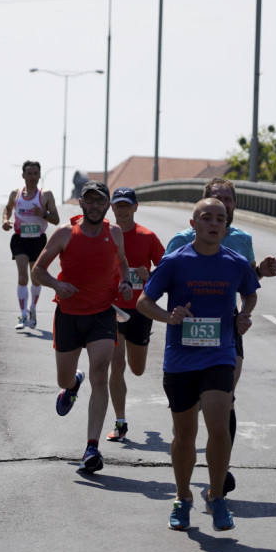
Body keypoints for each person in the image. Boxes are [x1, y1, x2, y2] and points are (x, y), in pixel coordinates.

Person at [137, 197, 260, 531]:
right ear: (193, 225)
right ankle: (182, 497)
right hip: (180, 358)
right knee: (184, 435)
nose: (214, 223)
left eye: (221, 219)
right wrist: (168, 317)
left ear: (226, 225)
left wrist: (245, 314)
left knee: (219, 426)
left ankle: (217, 496)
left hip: (219, 354)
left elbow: (251, 291)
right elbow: (144, 301)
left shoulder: (235, 262)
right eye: (207, 218)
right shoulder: (175, 262)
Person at [165, 177, 276, 497]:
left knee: (225, 397)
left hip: (226, 327)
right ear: (203, 206)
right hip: (187, 332)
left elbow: (246, 280)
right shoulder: (180, 241)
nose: (224, 204)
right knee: (190, 412)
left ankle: (221, 469)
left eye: (228, 200)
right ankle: (185, 453)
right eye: (217, 199)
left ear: (233, 206)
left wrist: (261, 275)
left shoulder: (242, 240)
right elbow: (165, 278)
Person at [31, 181, 133, 474]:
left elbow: (123, 263)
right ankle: (72, 384)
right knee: (63, 379)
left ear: (107, 205)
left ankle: (92, 447)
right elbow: (38, 271)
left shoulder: (114, 233)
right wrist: (57, 284)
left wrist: (125, 282)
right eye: (89, 201)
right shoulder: (65, 233)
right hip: (69, 316)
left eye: (100, 201)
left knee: (100, 374)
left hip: (102, 313)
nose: (94, 206)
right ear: (81, 203)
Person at [106, 187, 164, 442]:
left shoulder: (147, 236)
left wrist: (149, 277)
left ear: (135, 207)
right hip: (112, 308)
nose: (123, 210)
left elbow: (166, 273)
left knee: (137, 369)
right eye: (118, 205)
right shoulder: (103, 236)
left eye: (127, 205)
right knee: (116, 365)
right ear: (112, 207)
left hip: (140, 309)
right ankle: (120, 422)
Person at [1, 160, 60, 330]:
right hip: (20, 239)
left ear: (40, 175)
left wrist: (44, 214)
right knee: (22, 277)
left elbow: (56, 219)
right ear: (23, 175)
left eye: (35, 174)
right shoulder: (16, 193)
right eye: (29, 174)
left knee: (35, 278)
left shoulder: (45, 195)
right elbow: (7, 208)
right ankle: (23, 314)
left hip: (38, 240)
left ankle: (33, 309)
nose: (33, 177)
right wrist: (5, 221)